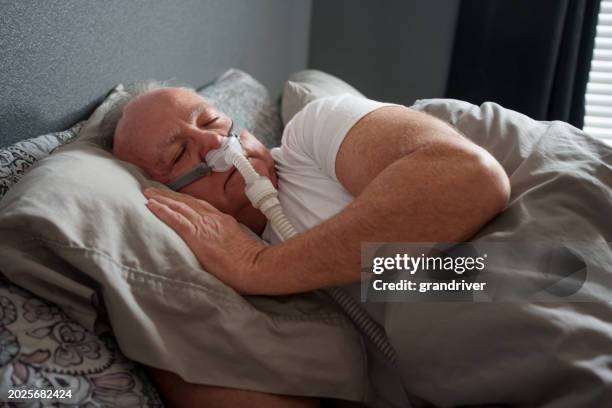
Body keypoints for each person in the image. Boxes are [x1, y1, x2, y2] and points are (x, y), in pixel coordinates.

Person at [112, 84, 510, 407]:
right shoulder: (212, 276)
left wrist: (260, 266)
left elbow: (467, 177)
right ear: (170, 196)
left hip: (534, 292)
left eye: (212, 120)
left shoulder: (314, 133)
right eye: (179, 152)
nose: (214, 142)